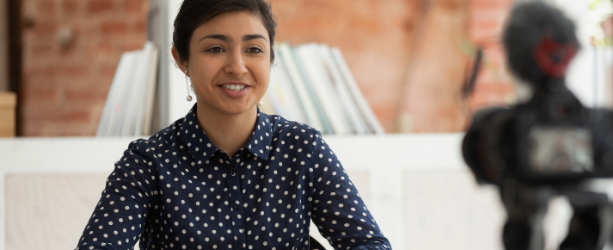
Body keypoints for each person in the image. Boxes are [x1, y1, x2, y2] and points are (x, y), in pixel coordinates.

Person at [75, 0, 391, 249]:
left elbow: (369, 244)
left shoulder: (302, 148)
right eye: (215, 49)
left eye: (253, 49)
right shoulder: (147, 162)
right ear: (182, 59)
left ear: (270, 57)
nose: (237, 67)